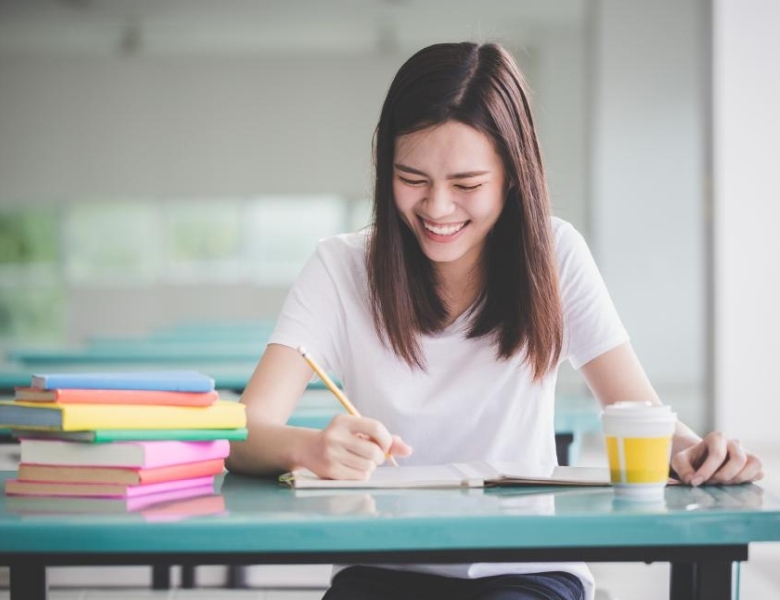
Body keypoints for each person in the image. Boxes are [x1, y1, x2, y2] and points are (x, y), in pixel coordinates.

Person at [226, 41, 763, 600]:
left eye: (466, 185)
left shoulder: (555, 256)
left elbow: (638, 412)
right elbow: (239, 432)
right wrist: (308, 450)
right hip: (384, 570)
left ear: (512, 174)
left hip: (526, 570)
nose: (436, 208)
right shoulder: (341, 268)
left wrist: (699, 453)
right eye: (412, 178)